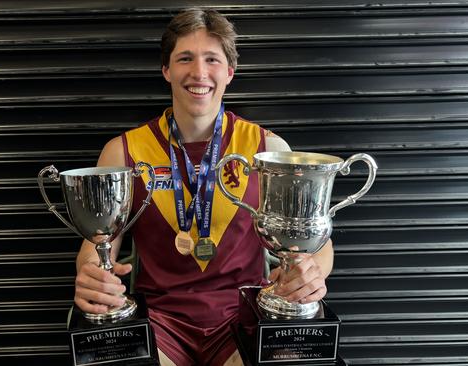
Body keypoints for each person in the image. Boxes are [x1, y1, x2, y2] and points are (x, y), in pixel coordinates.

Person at [74, 8, 333, 366]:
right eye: (185, 58)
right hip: (159, 320)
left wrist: (312, 275)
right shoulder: (123, 151)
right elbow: (97, 243)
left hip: (244, 315)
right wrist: (91, 277)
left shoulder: (268, 149)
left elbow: (317, 243)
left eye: (212, 59)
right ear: (166, 70)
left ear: (229, 71)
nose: (199, 72)